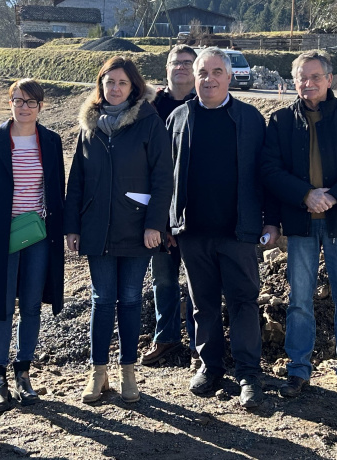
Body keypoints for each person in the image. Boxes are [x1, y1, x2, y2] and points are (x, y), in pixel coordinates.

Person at [261, 51, 337, 405]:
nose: (308, 83)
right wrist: (305, 195)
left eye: (315, 77)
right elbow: (269, 169)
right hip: (301, 224)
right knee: (299, 301)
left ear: (329, 79)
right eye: (302, 77)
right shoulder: (282, 120)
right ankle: (298, 370)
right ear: (294, 80)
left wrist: (335, 196)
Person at [167, 47, 280, 409]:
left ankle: (248, 374)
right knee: (203, 305)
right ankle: (210, 365)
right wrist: (168, 221)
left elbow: (267, 175)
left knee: (243, 303)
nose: (209, 79)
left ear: (229, 77)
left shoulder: (250, 119)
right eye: (203, 72)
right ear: (194, 77)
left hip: (239, 231)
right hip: (193, 232)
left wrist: (271, 220)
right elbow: (164, 177)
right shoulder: (179, 118)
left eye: (217, 72)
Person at [64, 56, 173, 403]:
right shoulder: (89, 126)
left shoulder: (148, 122)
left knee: (128, 300)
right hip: (97, 229)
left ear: (134, 87)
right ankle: (98, 374)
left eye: (122, 83)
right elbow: (76, 181)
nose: (115, 88)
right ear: (101, 85)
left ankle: (128, 372)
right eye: (109, 82)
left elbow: (162, 179)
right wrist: (72, 226)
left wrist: (155, 223)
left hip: (137, 229)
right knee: (101, 299)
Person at [0, 78, 65, 414]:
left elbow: (56, 192)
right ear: (10, 103)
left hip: (37, 236)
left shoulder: (50, 142)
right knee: (2, 307)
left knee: (32, 305)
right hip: (1, 239)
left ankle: (24, 374)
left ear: (40, 107)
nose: (24, 107)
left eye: (31, 102)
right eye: (18, 100)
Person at [141, 44, 198, 367]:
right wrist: (161, 220)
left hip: (192, 212)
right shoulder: (152, 107)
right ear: (166, 68)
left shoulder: (204, 104)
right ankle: (166, 338)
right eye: (176, 62)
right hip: (158, 210)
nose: (181, 67)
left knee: (195, 280)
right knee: (162, 279)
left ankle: (197, 342)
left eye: (188, 62)